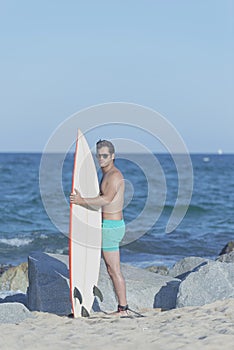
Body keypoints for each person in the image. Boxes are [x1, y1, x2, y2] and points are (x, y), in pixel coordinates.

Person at [70, 139, 128, 316]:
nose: (101, 159)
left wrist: (81, 201)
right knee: (111, 269)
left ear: (113, 156)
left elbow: (106, 199)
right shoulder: (106, 174)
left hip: (111, 226)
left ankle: (123, 309)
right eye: (99, 155)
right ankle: (121, 307)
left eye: (105, 156)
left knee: (113, 269)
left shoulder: (114, 176)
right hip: (108, 225)